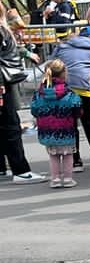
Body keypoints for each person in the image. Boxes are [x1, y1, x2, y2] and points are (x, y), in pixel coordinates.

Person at [50, 25, 90, 170]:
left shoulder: (62, 47)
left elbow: (50, 64)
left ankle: (76, 162)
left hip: (63, 91)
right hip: (82, 91)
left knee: (70, 127)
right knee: (89, 124)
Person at [0, 17, 45, 181]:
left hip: (4, 81)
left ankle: (3, 167)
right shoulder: (1, 30)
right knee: (10, 125)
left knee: (5, 125)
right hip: (4, 83)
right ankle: (20, 170)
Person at [29, 58, 82, 187]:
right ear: (64, 74)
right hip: (66, 129)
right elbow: (77, 109)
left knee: (53, 156)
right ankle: (68, 179)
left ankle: (55, 179)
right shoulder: (69, 93)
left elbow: (34, 110)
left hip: (48, 130)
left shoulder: (40, 93)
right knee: (68, 155)